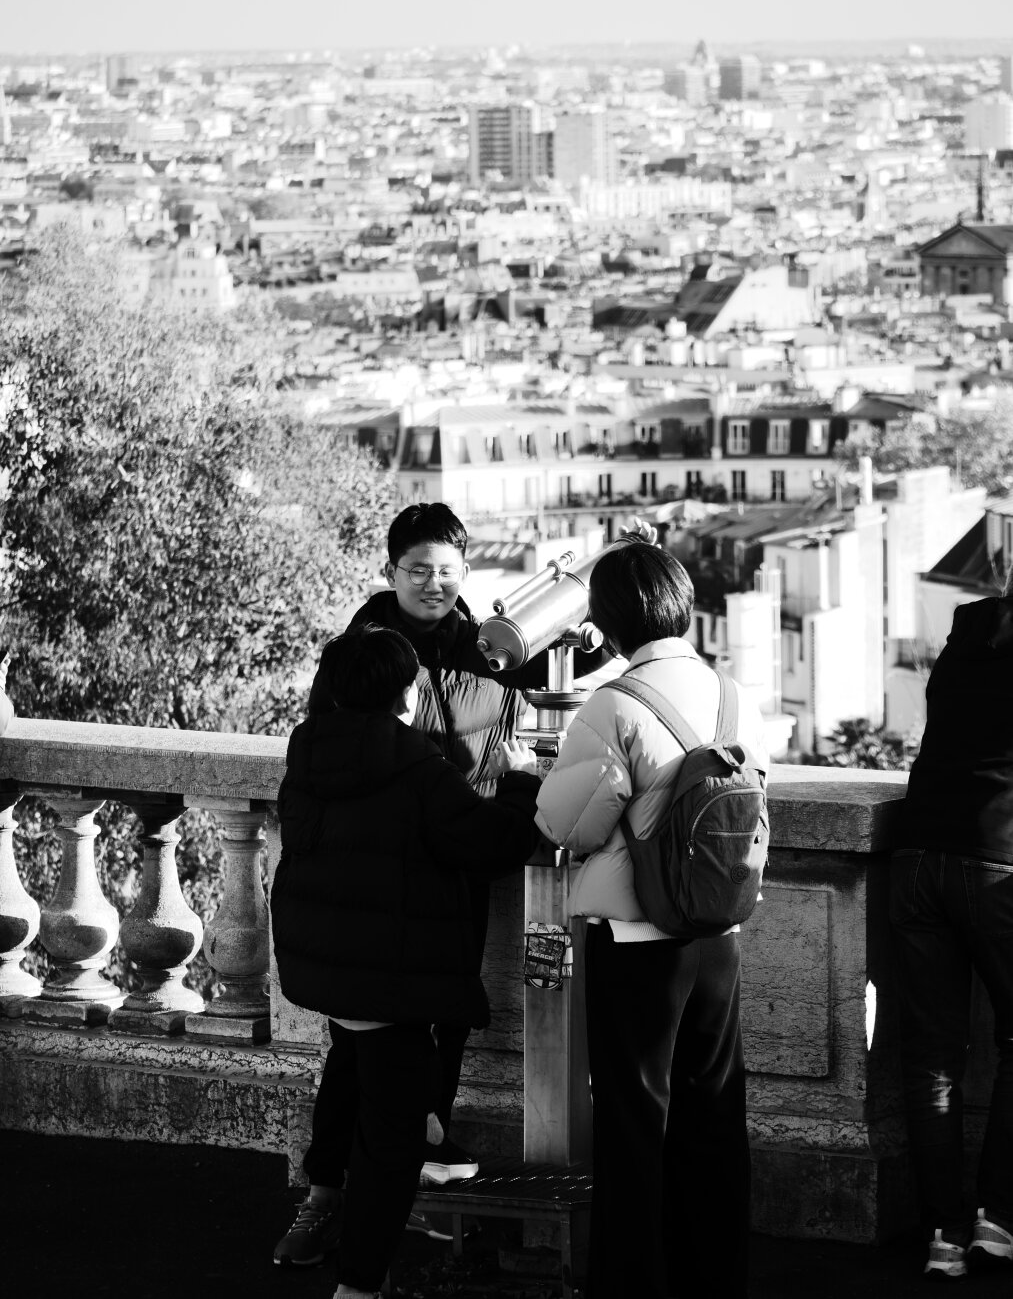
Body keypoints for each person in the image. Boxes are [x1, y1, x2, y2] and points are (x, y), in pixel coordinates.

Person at [274, 501, 608, 1264]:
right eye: (417, 569)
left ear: (466, 577)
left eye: (447, 572)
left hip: (450, 867)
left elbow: (566, 670)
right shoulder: (358, 655)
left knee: (437, 1031)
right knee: (357, 1050)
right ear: (389, 572)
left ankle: (400, 1181)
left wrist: (592, 630)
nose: (432, 584)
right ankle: (331, 1192)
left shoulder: (488, 648)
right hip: (386, 873)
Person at [271, 624, 541, 1299]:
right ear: (405, 690)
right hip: (390, 979)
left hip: (327, 966)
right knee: (389, 1149)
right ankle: (357, 1286)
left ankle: (339, 1201)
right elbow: (492, 843)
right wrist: (519, 780)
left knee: (368, 1089)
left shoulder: (307, 752)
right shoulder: (415, 767)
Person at [534, 541, 768, 1299]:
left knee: (636, 1119)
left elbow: (569, 822)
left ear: (604, 621)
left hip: (639, 937)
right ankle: (716, 1277)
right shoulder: (732, 694)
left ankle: (632, 1284)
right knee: (712, 1111)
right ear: (680, 602)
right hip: (718, 933)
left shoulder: (614, 702)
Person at [892, 570, 1013, 1279]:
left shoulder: (965, 636)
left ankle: (941, 1234)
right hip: (996, 865)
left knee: (931, 1057)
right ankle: (995, 1221)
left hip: (914, 858)